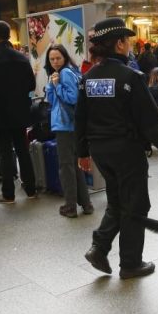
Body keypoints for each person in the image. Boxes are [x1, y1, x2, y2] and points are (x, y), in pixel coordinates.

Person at [77, 17, 158, 279]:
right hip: (127, 151)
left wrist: (82, 153)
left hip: (100, 151)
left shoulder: (88, 78)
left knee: (116, 200)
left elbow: (79, 118)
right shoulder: (130, 77)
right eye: (128, 40)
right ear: (120, 44)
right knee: (136, 204)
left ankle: (99, 248)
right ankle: (131, 263)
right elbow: (150, 122)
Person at [0, 21, 37, 203]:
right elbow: (31, 85)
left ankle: (8, 193)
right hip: (20, 112)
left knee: (4, 152)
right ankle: (31, 189)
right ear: (9, 36)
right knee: (22, 150)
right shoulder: (21, 58)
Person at [43, 44, 93, 218]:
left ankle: (70, 205)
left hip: (65, 125)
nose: (55, 62)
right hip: (69, 125)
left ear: (64, 57)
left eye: (58, 58)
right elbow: (51, 100)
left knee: (66, 167)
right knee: (74, 165)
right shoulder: (63, 73)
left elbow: (72, 98)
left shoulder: (65, 73)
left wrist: (56, 86)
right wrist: (51, 85)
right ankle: (86, 204)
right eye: (51, 59)